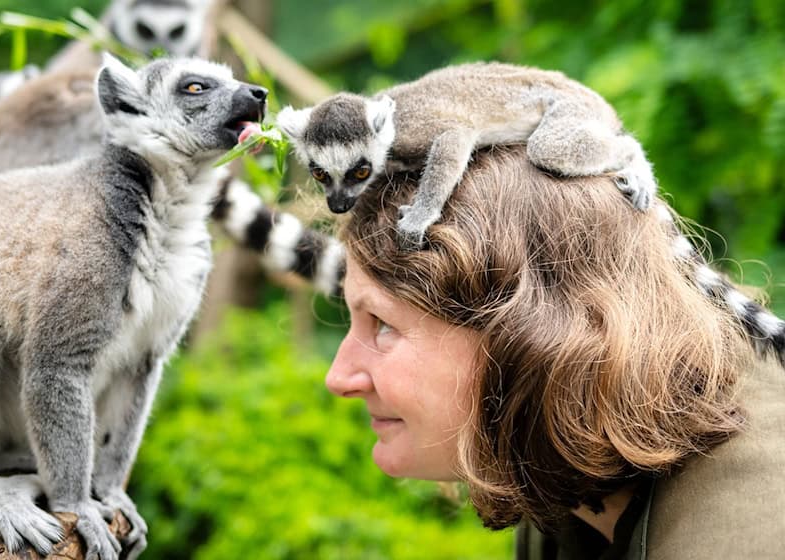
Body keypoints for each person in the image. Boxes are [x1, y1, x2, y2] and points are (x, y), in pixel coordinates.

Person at [325, 145, 785, 559]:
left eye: (384, 325)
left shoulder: (745, 535)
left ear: (527, 334)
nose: (339, 377)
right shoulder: (561, 458)